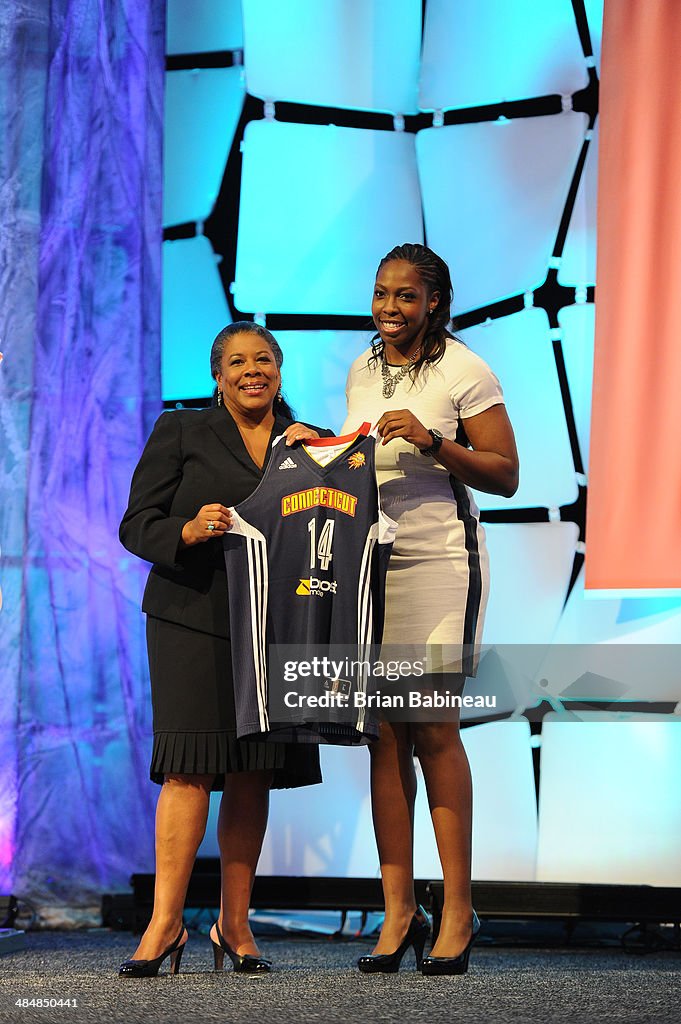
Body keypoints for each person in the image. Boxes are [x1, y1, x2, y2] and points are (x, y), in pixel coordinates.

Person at [118, 322, 328, 977]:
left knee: (252, 769)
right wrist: (185, 527)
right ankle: (165, 925)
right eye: (237, 361)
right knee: (188, 769)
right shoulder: (179, 430)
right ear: (217, 374)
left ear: (279, 369)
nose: (251, 370)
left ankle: (234, 926)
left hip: (275, 623)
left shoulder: (310, 442)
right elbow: (135, 524)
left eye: (263, 359)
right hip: (189, 615)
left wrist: (316, 458)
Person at [343, 243, 519, 974]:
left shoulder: (463, 370)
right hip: (371, 566)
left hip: (442, 563)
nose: (390, 308)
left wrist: (433, 439)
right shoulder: (361, 366)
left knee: (433, 727)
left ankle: (455, 910)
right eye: (382, 294)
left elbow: (506, 475)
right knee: (383, 735)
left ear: (434, 303)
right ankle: (396, 911)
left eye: (405, 297)